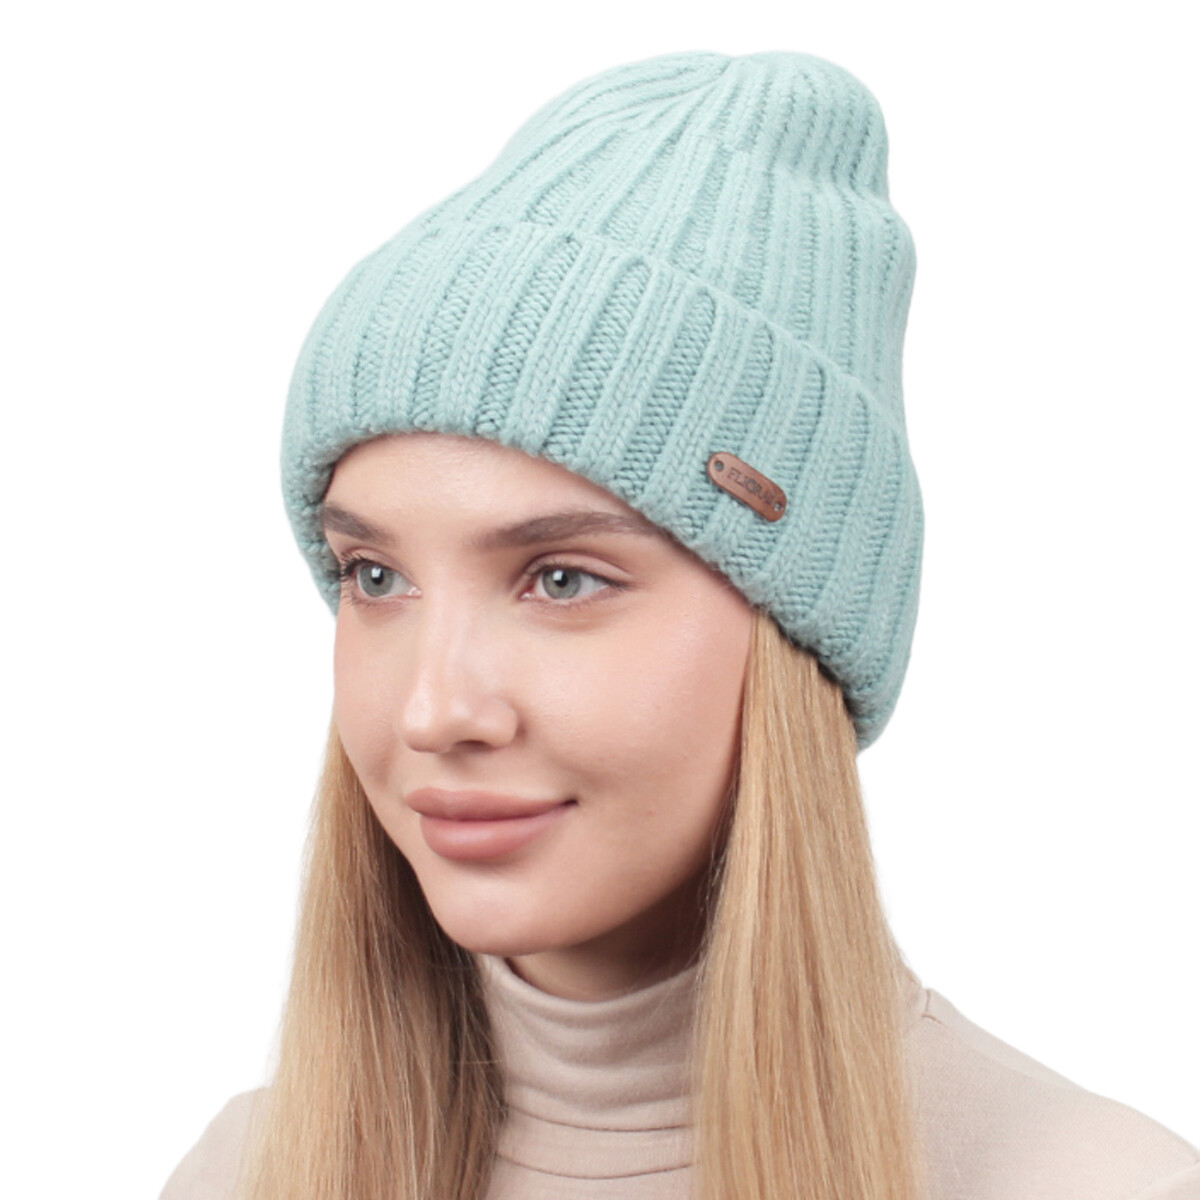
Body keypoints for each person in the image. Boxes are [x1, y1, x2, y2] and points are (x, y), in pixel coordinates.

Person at [159, 50, 1200, 1200]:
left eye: (562, 579)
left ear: (797, 633)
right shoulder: (244, 1173)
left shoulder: (1089, 1183)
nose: (434, 710)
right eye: (375, 577)